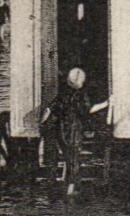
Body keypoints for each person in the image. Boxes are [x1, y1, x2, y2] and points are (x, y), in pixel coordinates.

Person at [40, 67, 108, 196]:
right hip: (73, 128)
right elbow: (87, 110)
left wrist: (43, 123)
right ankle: (70, 188)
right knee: (73, 156)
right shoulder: (82, 96)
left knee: (61, 154)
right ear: (82, 82)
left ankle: (54, 182)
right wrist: (106, 104)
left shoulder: (62, 94)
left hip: (60, 127)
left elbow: (49, 109)